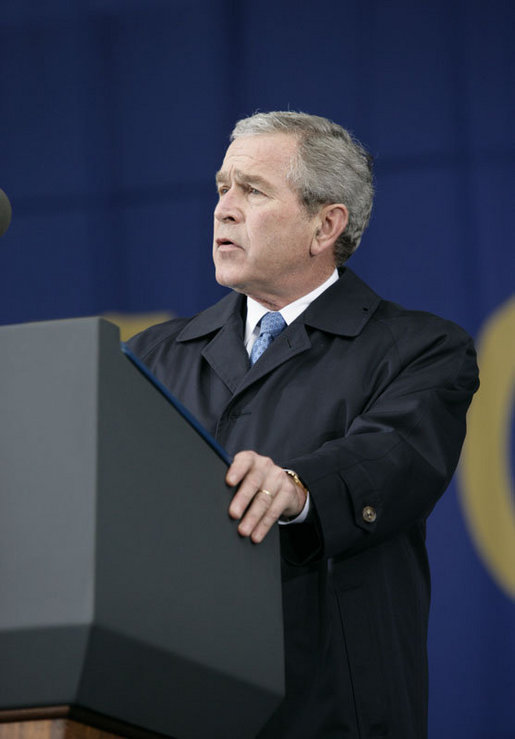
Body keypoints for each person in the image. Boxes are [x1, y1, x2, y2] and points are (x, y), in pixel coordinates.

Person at [128, 111, 479, 738]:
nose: (224, 210)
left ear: (326, 225)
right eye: (221, 188)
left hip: (328, 708)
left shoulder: (420, 348)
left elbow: (394, 458)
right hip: (173, 704)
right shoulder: (155, 355)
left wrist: (298, 488)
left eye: (252, 190)